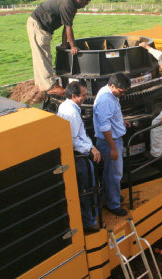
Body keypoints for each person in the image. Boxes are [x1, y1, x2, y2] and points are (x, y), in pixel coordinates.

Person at [27, 0, 91, 95]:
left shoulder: (71, 5)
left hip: (40, 26)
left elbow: (66, 26)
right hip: (38, 26)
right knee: (43, 55)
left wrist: (65, 44)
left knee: (42, 55)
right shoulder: (68, 3)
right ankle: (49, 87)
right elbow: (68, 27)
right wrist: (73, 46)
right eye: (85, 3)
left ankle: (42, 84)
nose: (85, 6)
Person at [56, 81, 101, 233]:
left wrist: (92, 146)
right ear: (74, 96)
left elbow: (81, 133)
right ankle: (91, 221)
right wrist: (91, 149)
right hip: (79, 156)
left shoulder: (66, 106)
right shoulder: (72, 113)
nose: (86, 97)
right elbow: (74, 140)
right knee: (88, 187)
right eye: (84, 95)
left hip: (79, 152)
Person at [93, 73, 131, 216]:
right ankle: (113, 204)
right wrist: (113, 148)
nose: (122, 94)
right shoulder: (106, 99)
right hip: (110, 142)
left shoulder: (109, 93)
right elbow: (104, 127)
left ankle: (111, 195)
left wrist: (121, 122)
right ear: (113, 86)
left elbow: (112, 115)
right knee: (115, 174)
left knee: (110, 172)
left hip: (112, 140)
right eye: (121, 91)